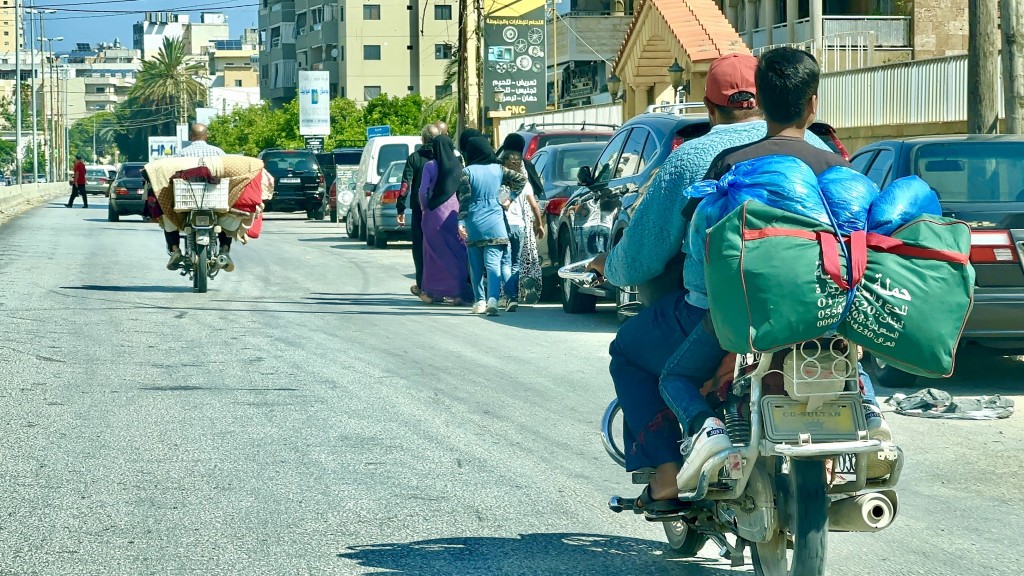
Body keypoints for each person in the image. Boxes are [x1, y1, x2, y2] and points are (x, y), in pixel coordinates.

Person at [600, 48, 889, 516]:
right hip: (822, 307)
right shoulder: (833, 160)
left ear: (709, 108)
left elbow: (645, 259)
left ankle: (668, 475)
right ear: (810, 103)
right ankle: (867, 414)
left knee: (631, 351)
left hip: (724, 311)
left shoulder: (705, 158)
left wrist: (607, 266)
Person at [457, 133, 526, 315]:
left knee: (476, 266)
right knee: (494, 264)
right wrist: (509, 198)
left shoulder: (467, 172)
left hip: (474, 222)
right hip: (496, 223)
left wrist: (461, 221)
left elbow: (464, 199)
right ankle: (493, 299)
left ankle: (479, 301)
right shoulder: (499, 169)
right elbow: (521, 179)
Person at [417, 135, 473, 305]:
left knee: (432, 254)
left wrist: (424, 207)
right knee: (456, 254)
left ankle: (431, 292)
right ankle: (457, 293)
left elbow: (422, 191)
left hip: (434, 214)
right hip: (455, 214)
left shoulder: (430, 165)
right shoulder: (459, 166)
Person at [166, 123, 229, 271]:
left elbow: (172, 174)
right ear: (206, 136)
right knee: (228, 217)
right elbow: (227, 173)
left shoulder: (181, 154)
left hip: (187, 200)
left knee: (167, 218)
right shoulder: (219, 152)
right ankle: (225, 250)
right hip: (214, 200)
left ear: (190, 137)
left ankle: (175, 250)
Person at [496, 149, 544, 311]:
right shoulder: (525, 183)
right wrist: (539, 224)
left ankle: (507, 296)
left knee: (504, 262)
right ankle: (514, 295)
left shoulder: (500, 182)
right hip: (520, 226)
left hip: (503, 225)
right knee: (516, 263)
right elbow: (534, 206)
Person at [398, 124, 439, 297]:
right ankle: (441, 285)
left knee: (419, 248)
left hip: (419, 210)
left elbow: (405, 185)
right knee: (439, 248)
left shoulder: (414, 158)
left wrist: (400, 207)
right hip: (440, 209)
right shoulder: (444, 157)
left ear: (422, 139)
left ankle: (422, 285)